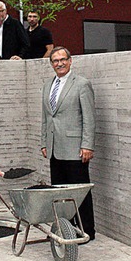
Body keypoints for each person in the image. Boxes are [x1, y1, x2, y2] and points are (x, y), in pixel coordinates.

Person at [40, 46, 96, 242]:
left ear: (70, 61)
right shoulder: (48, 86)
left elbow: (89, 118)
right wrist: (44, 142)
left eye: (63, 59)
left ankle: (86, 231)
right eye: (55, 61)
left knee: (79, 193)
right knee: (60, 194)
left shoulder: (81, 84)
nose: (59, 63)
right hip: (55, 148)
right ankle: (66, 230)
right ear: (51, 64)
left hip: (76, 149)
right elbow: (46, 117)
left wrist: (87, 145)